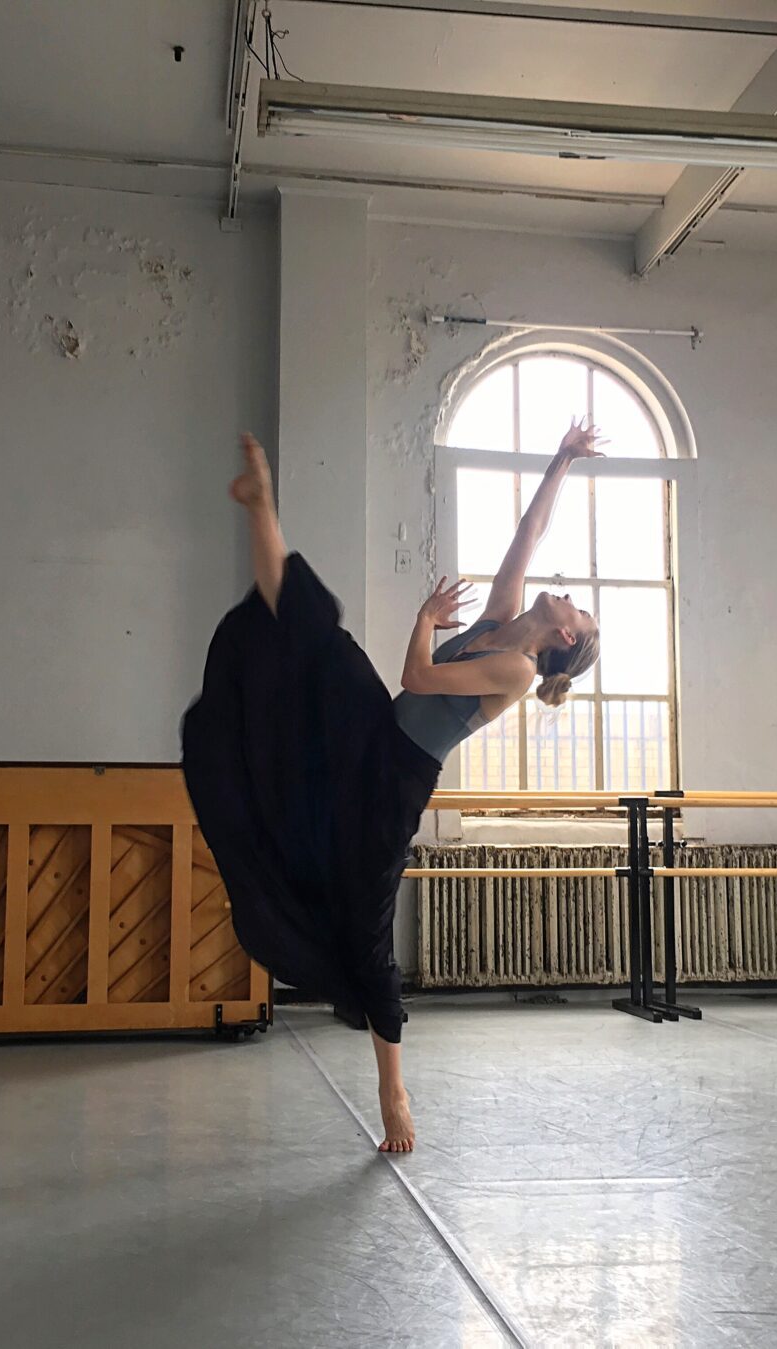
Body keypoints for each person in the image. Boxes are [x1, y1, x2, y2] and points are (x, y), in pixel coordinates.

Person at [181, 419, 603, 1152]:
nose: (565, 594)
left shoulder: (516, 669)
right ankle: (260, 505)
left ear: (565, 637)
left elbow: (418, 676)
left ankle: (392, 1090)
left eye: (578, 608)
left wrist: (425, 619)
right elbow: (528, 534)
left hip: (394, 781)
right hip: (373, 730)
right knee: (317, 635)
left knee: (367, 928)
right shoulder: (501, 620)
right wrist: (561, 458)